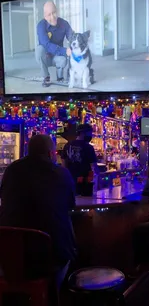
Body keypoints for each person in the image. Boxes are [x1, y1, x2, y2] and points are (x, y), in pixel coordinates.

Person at [0, 135, 76, 288]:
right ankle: (54, 295)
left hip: (10, 257)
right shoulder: (62, 173)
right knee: (69, 241)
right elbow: (70, 205)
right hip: (48, 259)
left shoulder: (11, 170)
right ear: (50, 153)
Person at [36, 1, 73, 87]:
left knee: (63, 60)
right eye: (49, 14)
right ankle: (46, 77)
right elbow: (46, 45)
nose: (52, 17)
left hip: (57, 56)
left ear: (57, 11)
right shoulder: (41, 26)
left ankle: (60, 77)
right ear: (45, 16)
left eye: (54, 12)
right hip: (46, 57)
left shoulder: (64, 24)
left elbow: (72, 37)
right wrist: (65, 50)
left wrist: (78, 42)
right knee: (39, 50)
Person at [61, 123, 99, 195]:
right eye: (89, 133)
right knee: (85, 203)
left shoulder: (67, 145)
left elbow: (63, 166)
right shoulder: (88, 148)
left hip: (71, 182)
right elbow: (94, 167)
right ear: (82, 133)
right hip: (85, 183)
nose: (90, 135)